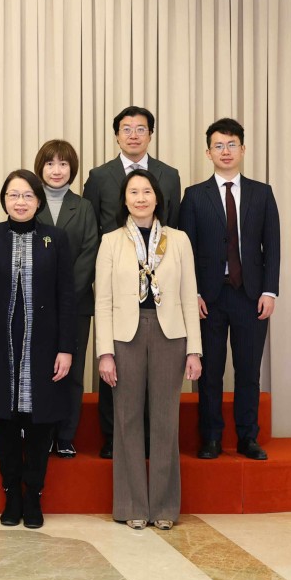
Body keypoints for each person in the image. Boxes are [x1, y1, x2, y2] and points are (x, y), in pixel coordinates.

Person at [0, 170, 76, 529]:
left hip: (44, 345)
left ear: (38, 201)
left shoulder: (55, 238)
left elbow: (66, 296)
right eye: (13, 195)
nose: (20, 202)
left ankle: (34, 495)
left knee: (40, 423)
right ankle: (11, 493)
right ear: (4, 200)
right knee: (6, 423)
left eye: (28, 195)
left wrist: (66, 348)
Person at [95, 169, 202, 531]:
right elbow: (103, 301)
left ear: (158, 198)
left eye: (146, 192)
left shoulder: (179, 240)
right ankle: (132, 505)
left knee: (165, 420)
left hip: (170, 334)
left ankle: (165, 506)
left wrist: (194, 350)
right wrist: (105, 352)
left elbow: (188, 297)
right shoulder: (111, 241)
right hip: (125, 335)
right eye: (133, 192)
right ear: (124, 200)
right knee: (126, 419)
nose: (140, 198)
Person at [82, 106, 182, 459]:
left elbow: (174, 226)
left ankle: (152, 439)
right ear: (117, 135)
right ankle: (113, 437)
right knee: (117, 366)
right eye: (127, 129)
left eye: (141, 129)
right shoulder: (99, 176)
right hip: (117, 279)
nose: (134, 135)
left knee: (156, 373)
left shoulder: (169, 175)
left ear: (151, 134)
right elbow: (91, 228)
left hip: (161, 287)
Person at [179, 118, 280, 461]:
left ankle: (248, 438)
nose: (225, 151)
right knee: (209, 373)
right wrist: (192, 294)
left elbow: (272, 246)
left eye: (231, 144)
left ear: (243, 149)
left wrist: (270, 291)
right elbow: (186, 250)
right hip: (209, 297)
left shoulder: (262, 193)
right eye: (218, 146)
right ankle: (210, 438)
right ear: (208, 153)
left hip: (251, 296)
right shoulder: (194, 196)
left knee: (248, 371)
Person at [34, 140, 99, 457]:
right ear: (40, 167)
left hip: (76, 305)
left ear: (72, 169)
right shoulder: (29, 202)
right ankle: (41, 433)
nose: (56, 170)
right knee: (40, 369)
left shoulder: (84, 207)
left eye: (63, 164)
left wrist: (65, 296)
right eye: (50, 163)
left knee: (72, 372)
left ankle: (65, 435)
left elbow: (89, 253)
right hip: (35, 303)